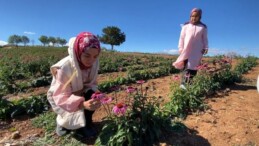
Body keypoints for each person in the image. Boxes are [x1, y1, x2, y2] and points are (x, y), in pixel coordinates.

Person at [47, 32, 102, 139]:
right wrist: (82, 104)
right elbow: (61, 97)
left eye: (95, 56)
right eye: (87, 55)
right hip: (62, 97)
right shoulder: (64, 67)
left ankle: (85, 124)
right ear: (78, 51)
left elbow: (92, 83)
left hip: (81, 92)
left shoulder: (94, 62)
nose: (91, 60)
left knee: (92, 95)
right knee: (67, 120)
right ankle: (63, 125)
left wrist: (95, 95)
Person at [172, 8, 209, 89]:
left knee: (194, 67)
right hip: (186, 49)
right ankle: (183, 84)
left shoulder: (203, 27)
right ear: (190, 16)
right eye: (192, 16)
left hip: (197, 50)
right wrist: (180, 48)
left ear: (200, 17)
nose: (194, 18)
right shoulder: (186, 26)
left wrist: (206, 47)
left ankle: (190, 84)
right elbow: (181, 38)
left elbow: (205, 38)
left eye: (196, 16)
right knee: (186, 65)